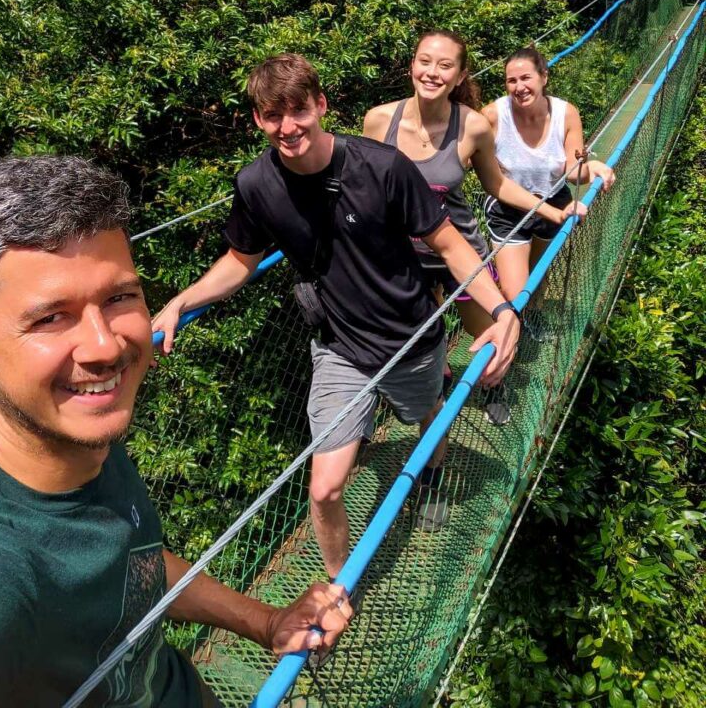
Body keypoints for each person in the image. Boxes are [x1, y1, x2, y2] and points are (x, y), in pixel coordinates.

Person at [0, 154, 353, 708]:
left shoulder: (80, 441)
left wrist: (266, 620)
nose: (106, 346)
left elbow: (133, 561)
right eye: (49, 317)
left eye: (119, 298)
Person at [153, 54, 520, 575]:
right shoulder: (256, 185)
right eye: (272, 116)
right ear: (257, 120)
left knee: (427, 420)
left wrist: (502, 308)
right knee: (323, 488)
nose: (288, 127)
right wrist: (181, 301)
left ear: (320, 105)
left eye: (298, 110)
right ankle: (334, 592)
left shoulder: (383, 167)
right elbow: (240, 261)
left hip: (410, 335)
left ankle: (432, 476)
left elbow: (448, 243)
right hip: (340, 347)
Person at [363, 30, 589, 344]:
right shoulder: (378, 121)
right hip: (404, 256)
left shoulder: (473, 126)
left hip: (460, 250)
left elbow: (497, 184)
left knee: (494, 336)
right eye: (424, 62)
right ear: (412, 65)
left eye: (444, 66)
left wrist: (553, 212)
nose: (432, 73)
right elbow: (367, 192)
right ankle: (439, 372)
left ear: (460, 76)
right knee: (419, 343)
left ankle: (499, 385)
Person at [481, 46, 615, 302]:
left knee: (538, 277)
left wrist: (592, 169)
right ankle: (518, 333)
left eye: (526, 78)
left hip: (553, 201)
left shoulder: (566, 114)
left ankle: (535, 322)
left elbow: (572, 171)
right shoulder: (492, 116)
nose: (519, 87)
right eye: (512, 81)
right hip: (509, 208)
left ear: (544, 77)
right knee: (515, 293)